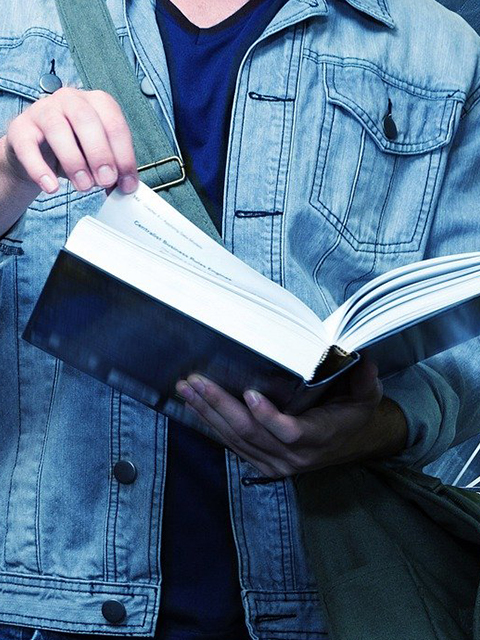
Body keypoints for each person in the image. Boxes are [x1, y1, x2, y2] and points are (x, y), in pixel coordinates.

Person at [0, 0, 479, 639]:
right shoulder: (14, 23)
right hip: (44, 610)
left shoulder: (443, 52)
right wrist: (8, 174)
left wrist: (376, 427)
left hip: (334, 603)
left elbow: (466, 344)